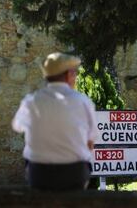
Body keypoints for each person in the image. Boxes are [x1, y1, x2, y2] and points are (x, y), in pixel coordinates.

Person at [12, 52, 97, 191]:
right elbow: (90, 142)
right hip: (75, 174)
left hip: (39, 174)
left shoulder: (31, 101)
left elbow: (18, 126)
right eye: (74, 73)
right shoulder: (83, 101)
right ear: (69, 75)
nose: (75, 77)